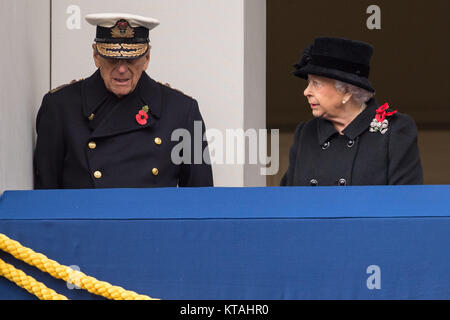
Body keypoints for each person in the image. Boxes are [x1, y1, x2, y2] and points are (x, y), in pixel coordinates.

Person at [34, 13, 213, 189]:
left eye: (131, 58)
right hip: (86, 218)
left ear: (147, 58)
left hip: (152, 218)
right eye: (112, 58)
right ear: (96, 56)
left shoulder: (183, 110)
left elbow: (201, 202)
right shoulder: (60, 107)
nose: (121, 69)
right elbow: (45, 200)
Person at [281, 37, 423, 186]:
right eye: (308, 82)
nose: (306, 91)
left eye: (316, 83)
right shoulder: (306, 133)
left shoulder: (394, 130)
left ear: (347, 91)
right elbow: (288, 200)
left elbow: (405, 202)